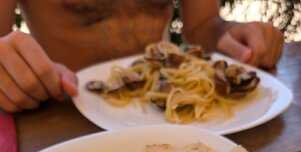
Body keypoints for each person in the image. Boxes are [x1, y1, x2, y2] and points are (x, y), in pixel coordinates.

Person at [0, 0, 284, 113]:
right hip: (62, 114)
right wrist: (9, 65)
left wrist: (234, 35)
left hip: (165, 110)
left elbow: (203, 26)